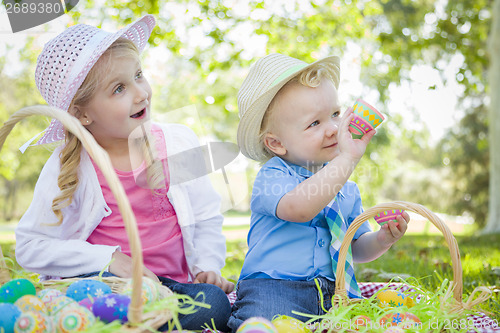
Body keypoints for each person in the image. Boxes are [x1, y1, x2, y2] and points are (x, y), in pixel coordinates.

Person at [15, 15, 232, 331]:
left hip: (171, 289)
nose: (141, 93)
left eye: (139, 75)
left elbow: (206, 216)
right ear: (81, 114)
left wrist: (208, 265)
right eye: (119, 88)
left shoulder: (176, 142)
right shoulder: (70, 164)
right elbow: (30, 246)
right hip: (109, 289)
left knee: (213, 302)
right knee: (81, 306)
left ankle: (147, 323)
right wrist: (107, 259)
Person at [228, 53, 410, 331]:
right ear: (276, 143)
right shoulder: (274, 175)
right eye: (315, 123)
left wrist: (383, 239)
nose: (334, 129)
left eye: (336, 115)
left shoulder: (347, 189)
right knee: (266, 320)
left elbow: (355, 248)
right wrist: (346, 160)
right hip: (275, 287)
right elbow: (299, 208)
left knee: (362, 323)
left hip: (333, 293)